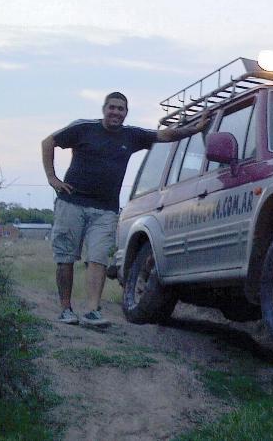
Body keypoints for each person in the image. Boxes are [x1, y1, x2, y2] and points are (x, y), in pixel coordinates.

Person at [42, 91, 210, 326]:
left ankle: (92, 311)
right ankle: (65, 309)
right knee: (66, 257)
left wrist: (194, 128)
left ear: (126, 112)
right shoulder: (83, 128)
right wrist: (52, 178)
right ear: (104, 109)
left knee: (98, 258)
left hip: (106, 209)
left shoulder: (131, 135)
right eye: (112, 107)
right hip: (72, 202)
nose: (116, 112)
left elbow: (166, 135)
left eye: (121, 109)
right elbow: (48, 142)